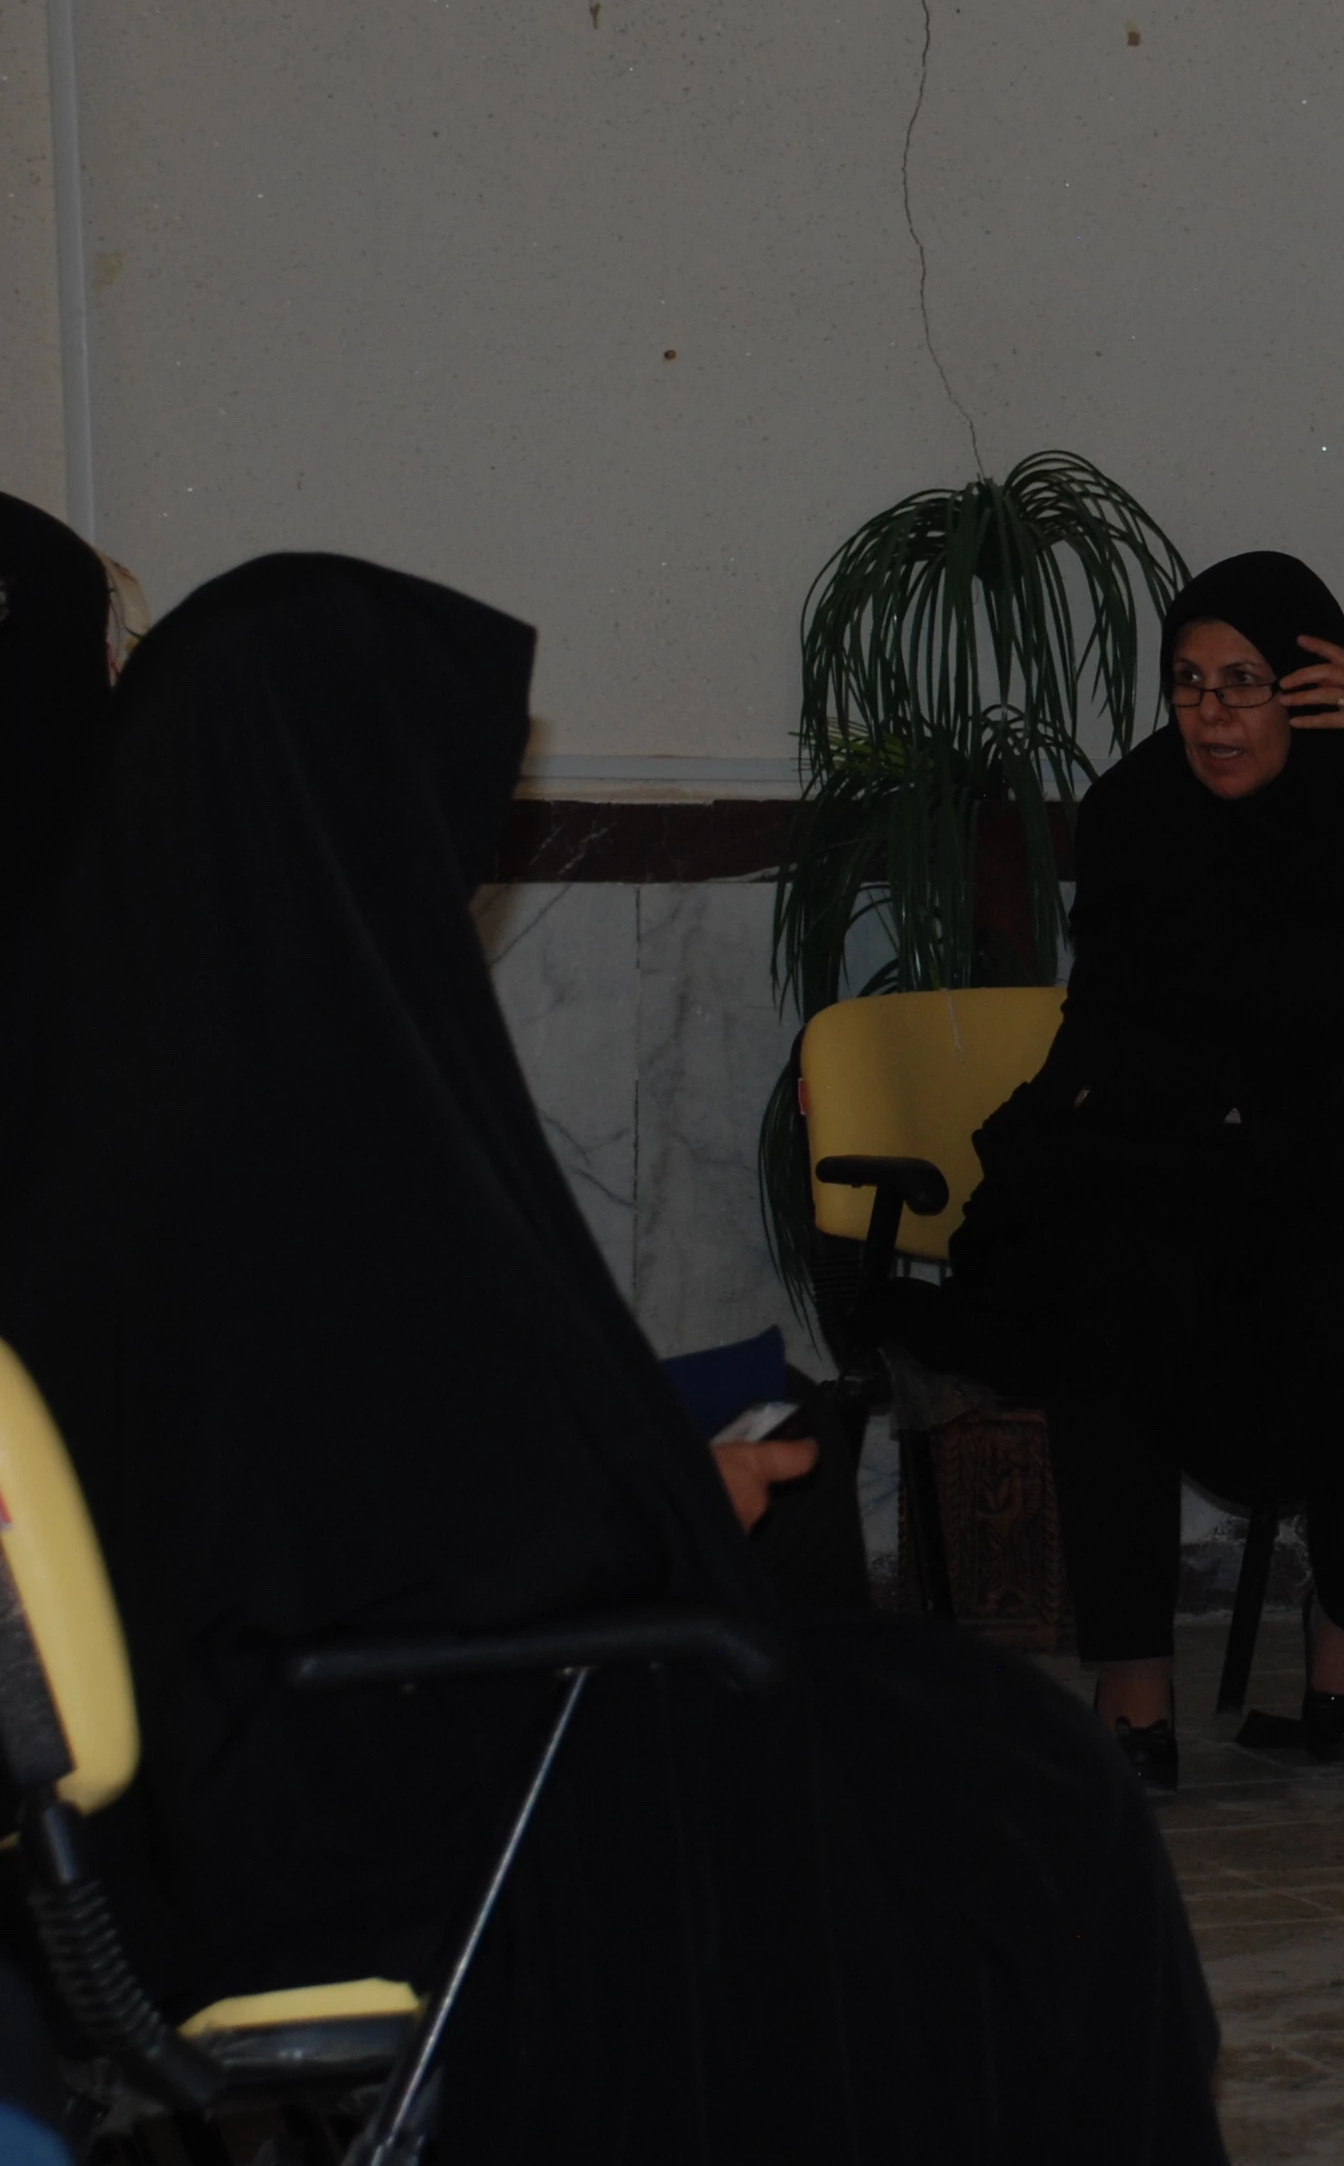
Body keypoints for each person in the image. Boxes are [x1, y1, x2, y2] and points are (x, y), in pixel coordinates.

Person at [0, 554, 1225, 2162]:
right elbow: (348, 1544)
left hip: (240, 1782)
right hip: (353, 1806)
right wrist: (674, 1509)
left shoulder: (144, 1073)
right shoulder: (283, 1124)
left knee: (944, 1733)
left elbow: (338, 1487)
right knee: (1014, 1789)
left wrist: (629, 1486)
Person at [917, 553, 1344, 1787]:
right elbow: (1236, 974)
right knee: (1118, 1293)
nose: (1212, 714)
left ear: (1312, 694)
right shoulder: (1133, 808)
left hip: (1268, 1159)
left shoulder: (1338, 807)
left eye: (1245, 683)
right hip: (1107, 1150)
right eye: (1188, 683)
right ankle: (1133, 1676)